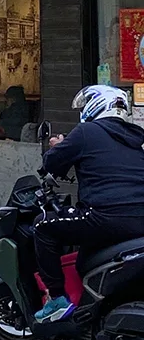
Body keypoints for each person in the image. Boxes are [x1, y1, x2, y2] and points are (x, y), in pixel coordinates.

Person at [34, 84, 144, 322]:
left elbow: (51, 163)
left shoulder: (87, 132)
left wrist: (57, 146)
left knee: (43, 226)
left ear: (96, 106)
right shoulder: (138, 137)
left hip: (104, 216)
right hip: (140, 220)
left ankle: (57, 300)